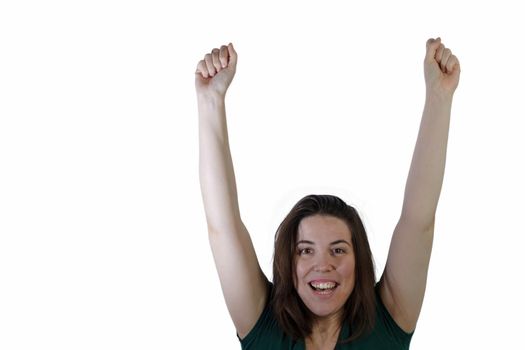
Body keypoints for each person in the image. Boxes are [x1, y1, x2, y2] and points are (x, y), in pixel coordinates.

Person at [195, 38, 460, 349]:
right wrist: (211, 101)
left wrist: (440, 97)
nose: (322, 265)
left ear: (358, 260)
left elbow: (419, 220)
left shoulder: (388, 321)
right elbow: (222, 226)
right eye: (305, 250)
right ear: (287, 262)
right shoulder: (262, 324)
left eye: (338, 250)